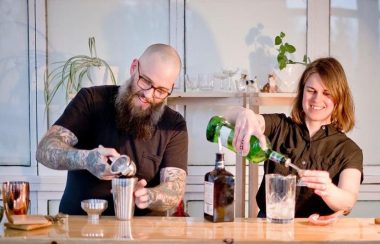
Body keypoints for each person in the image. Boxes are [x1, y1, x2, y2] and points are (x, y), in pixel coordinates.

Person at [36, 43, 188, 216]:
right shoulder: (91, 100)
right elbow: (44, 149)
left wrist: (149, 196)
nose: (149, 95)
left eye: (161, 90)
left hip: (142, 234)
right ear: (133, 67)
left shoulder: (174, 125)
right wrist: (85, 159)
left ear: (171, 89)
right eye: (145, 81)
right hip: (79, 226)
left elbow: (175, 189)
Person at [226, 57, 363, 218]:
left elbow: (348, 199)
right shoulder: (279, 125)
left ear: (339, 98)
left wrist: (328, 189)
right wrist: (245, 114)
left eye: (327, 93)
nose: (316, 99)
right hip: (269, 227)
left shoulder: (349, 150)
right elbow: (228, 115)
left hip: (318, 233)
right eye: (311, 90)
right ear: (302, 92)